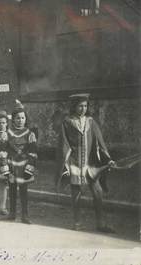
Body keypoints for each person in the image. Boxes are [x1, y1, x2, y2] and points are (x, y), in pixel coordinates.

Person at [59, 93, 116, 232]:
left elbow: (100, 141)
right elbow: (63, 143)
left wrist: (108, 159)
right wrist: (66, 163)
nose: (83, 109)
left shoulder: (91, 121)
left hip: (91, 164)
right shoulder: (67, 122)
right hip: (75, 163)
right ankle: (77, 222)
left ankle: (100, 223)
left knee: (98, 192)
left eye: (85, 106)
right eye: (80, 106)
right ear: (74, 106)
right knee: (77, 194)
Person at [6, 100, 37, 224]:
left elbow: (33, 152)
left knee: (23, 191)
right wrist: (5, 166)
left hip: (24, 165)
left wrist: (30, 168)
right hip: (12, 165)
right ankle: (12, 212)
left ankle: (25, 214)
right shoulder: (8, 133)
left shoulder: (30, 134)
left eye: (22, 118)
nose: (20, 120)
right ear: (13, 120)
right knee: (12, 189)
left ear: (25, 119)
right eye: (17, 118)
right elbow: (5, 149)